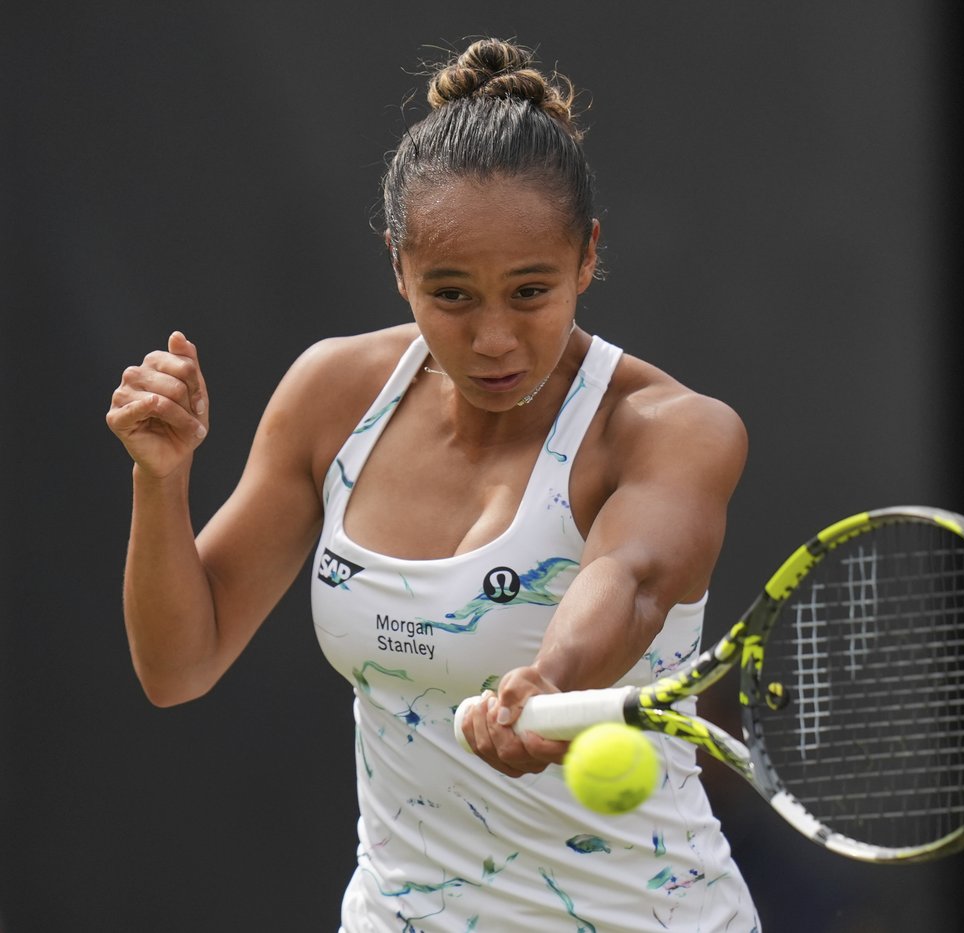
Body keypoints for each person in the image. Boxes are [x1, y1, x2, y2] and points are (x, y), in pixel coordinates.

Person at [106, 37, 760, 932]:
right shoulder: (334, 396)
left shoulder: (670, 429)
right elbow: (178, 665)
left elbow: (633, 578)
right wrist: (162, 480)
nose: (494, 339)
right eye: (452, 294)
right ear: (398, 266)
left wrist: (550, 677)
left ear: (587, 259)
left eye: (530, 291)